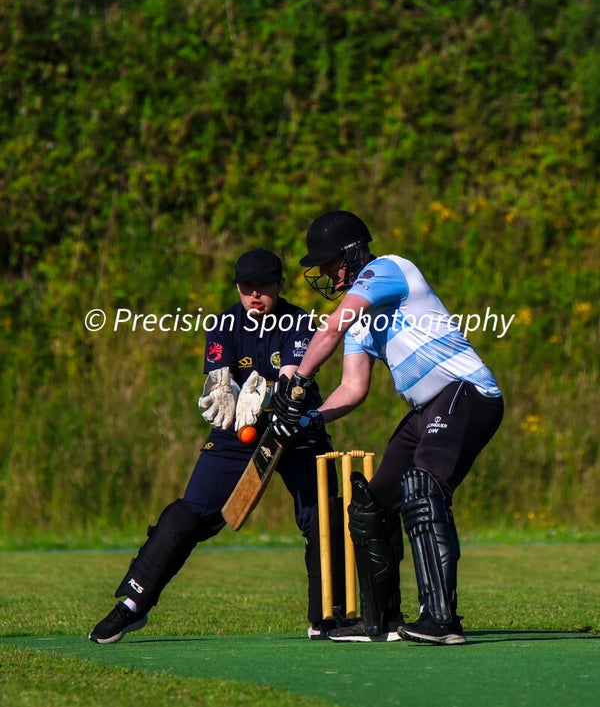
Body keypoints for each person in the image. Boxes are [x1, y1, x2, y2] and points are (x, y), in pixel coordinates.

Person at [270, 211, 504, 645]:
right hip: (428, 408)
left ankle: (441, 620)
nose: (325, 274)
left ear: (354, 253)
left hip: (465, 392)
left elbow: (331, 328)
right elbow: (352, 389)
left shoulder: (388, 269)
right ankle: (380, 621)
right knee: (370, 506)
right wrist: (309, 418)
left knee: (422, 486)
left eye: (329, 263)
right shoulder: (361, 319)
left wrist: (298, 380)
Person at [89, 248, 345, 644]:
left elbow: (294, 374)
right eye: (247, 288)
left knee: (323, 516)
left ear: (280, 285)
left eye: (263, 287)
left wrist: (274, 391)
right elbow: (217, 376)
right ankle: (133, 604)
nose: (254, 295)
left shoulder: (299, 322)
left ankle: (329, 616)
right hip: (236, 430)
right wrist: (223, 388)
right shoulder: (224, 323)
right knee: (188, 514)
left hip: (294, 429)